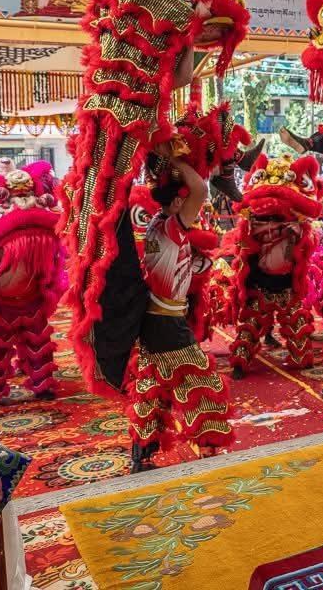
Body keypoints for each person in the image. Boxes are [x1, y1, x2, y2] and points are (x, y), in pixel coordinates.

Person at [129, 145, 234, 472]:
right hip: (167, 324)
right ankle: (210, 455)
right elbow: (202, 190)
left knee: (153, 386)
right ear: (177, 201)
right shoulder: (173, 226)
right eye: (186, 200)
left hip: (154, 319)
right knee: (203, 384)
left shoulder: (156, 226)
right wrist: (173, 157)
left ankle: (139, 456)